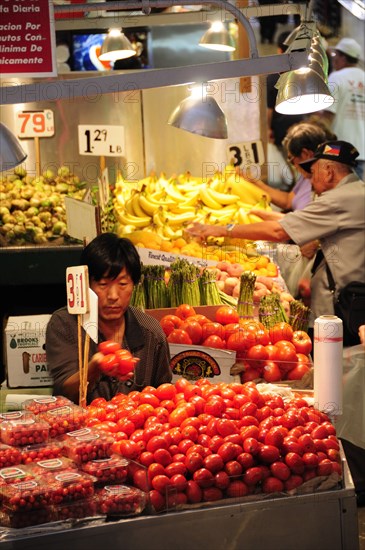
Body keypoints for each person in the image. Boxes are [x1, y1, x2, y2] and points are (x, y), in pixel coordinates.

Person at [187, 140, 365, 329]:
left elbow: (278, 231)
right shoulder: (356, 192)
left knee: (331, 355)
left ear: (329, 171)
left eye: (312, 173)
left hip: (342, 306)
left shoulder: (337, 200)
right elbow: (302, 222)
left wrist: (225, 229)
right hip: (351, 299)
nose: (311, 181)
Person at [46, 233, 172, 405]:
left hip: (136, 430)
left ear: (134, 285)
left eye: (122, 284)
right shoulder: (65, 324)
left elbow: (164, 397)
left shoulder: (152, 333)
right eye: (103, 284)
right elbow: (65, 391)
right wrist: (94, 368)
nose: (113, 296)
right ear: (87, 284)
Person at [321, 38, 365, 179]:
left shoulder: (336, 77)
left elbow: (328, 114)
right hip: (363, 151)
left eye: (336, 56)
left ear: (343, 57)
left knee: (342, 195)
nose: (334, 60)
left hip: (339, 151)